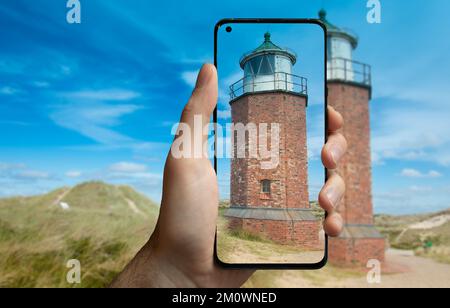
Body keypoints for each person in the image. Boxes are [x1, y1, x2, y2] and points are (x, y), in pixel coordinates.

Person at [111, 64, 347, 288]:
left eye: (266, 66)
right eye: (257, 67)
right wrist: (168, 269)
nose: (262, 71)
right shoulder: (255, 101)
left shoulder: (272, 97)